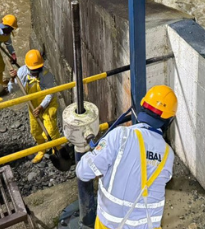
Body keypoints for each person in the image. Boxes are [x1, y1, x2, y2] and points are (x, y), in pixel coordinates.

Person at [76, 86, 178, 229]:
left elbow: (83, 172)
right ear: (169, 120)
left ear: (143, 106)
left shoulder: (121, 136)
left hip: (110, 224)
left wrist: (92, 155)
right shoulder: (168, 155)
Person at [6, 49, 61, 164]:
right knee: (35, 131)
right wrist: (12, 79)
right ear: (27, 67)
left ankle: (57, 149)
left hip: (47, 106)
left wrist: (41, 107)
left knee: (51, 130)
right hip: (33, 106)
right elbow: (12, 90)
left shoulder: (47, 75)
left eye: (38, 69)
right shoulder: (21, 73)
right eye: (33, 70)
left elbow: (50, 94)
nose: (36, 72)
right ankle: (41, 149)